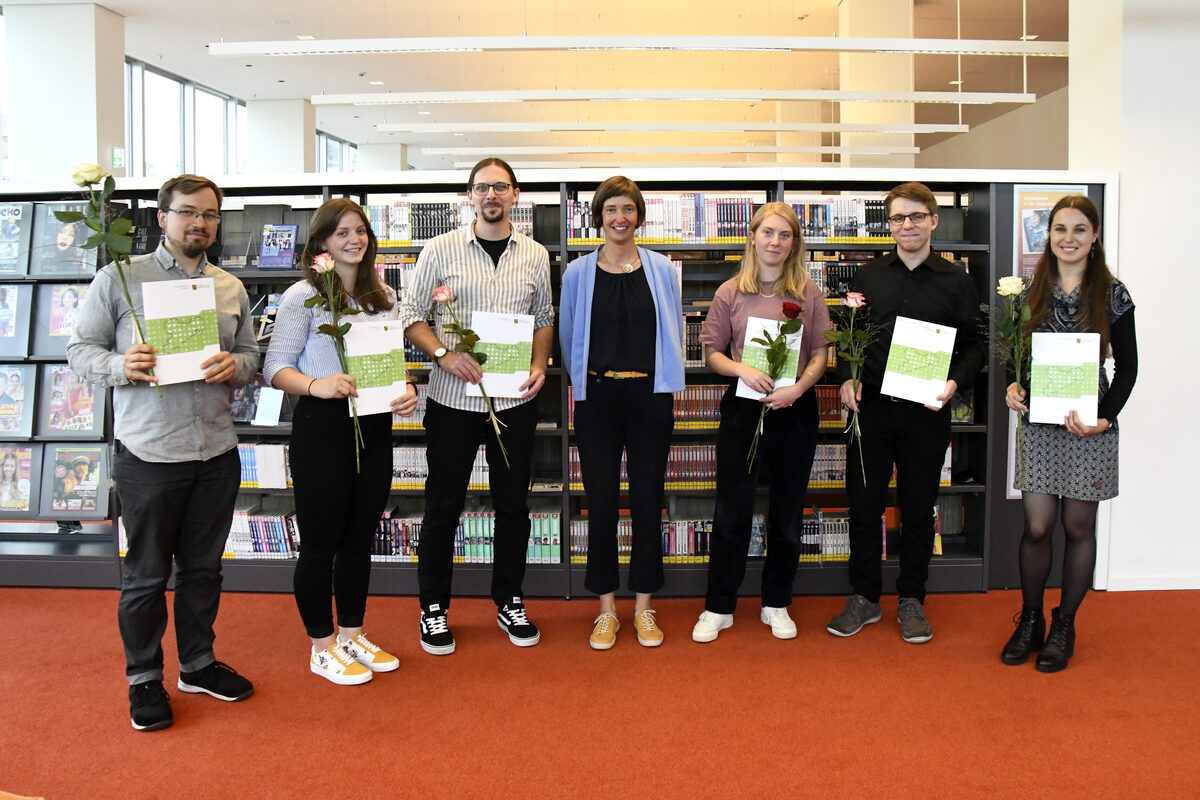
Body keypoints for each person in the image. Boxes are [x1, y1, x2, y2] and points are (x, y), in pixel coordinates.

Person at [67, 174, 260, 732]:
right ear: (162, 217)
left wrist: (238, 367)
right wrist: (120, 365)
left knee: (203, 571)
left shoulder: (229, 287)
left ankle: (197, 663)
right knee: (146, 576)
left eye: (210, 215)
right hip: (150, 454)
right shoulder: (121, 278)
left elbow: (249, 354)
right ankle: (143, 677)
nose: (199, 223)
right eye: (187, 213)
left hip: (217, 451)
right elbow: (79, 351)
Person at [398, 158, 554, 655]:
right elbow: (410, 314)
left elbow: (543, 316)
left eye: (501, 187)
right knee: (443, 507)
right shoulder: (438, 249)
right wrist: (443, 354)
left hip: (513, 400)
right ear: (468, 196)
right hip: (450, 399)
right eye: (482, 187)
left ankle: (509, 599)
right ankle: (433, 608)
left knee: (514, 506)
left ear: (515, 195)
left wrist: (540, 363)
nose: (492, 195)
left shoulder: (534, 254)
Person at [264, 198, 418, 685]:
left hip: (374, 427)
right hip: (323, 426)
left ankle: (352, 634)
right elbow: (274, 368)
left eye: (361, 231)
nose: (354, 240)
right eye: (342, 233)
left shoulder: (384, 297)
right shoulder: (302, 297)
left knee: (359, 538)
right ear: (322, 244)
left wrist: (407, 388)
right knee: (320, 542)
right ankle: (321, 645)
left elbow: (390, 366)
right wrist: (318, 384)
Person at [827, 182, 985, 644]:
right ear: (889, 223)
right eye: (898, 218)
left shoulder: (957, 281)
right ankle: (864, 598)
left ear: (934, 220)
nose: (907, 226)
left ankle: (912, 598)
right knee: (863, 506)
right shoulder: (869, 276)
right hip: (871, 409)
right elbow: (847, 337)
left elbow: (974, 346)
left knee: (918, 510)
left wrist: (954, 382)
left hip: (925, 413)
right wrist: (846, 378)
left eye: (916, 217)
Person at [1001, 195, 1137, 673]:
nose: (1069, 238)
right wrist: (1012, 387)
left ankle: (1065, 623)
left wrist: (1105, 416)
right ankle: (1031, 619)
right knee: (1036, 526)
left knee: (1078, 527)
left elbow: (1128, 368)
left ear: (1095, 235)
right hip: (1039, 421)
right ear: (1048, 235)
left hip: (1089, 425)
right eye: (1060, 229)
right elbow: (1012, 360)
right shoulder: (1026, 296)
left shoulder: (1113, 294)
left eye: (1080, 229)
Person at [691, 202, 833, 643]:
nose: (775, 242)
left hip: (794, 410)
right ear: (752, 237)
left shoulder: (808, 293)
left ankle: (776, 602)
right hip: (743, 409)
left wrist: (799, 388)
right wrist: (742, 371)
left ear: (794, 243)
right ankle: (720, 606)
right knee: (731, 510)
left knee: (787, 512)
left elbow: (820, 353)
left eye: (784, 235)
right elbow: (711, 352)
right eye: (768, 233)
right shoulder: (730, 292)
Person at [559, 176, 685, 649]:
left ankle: (645, 608)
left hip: (651, 398)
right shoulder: (576, 274)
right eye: (611, 209)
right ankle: (607, 610)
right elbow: (571, 338)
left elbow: (670, 328)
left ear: (640, 216)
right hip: (598, 400)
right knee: (602, 503)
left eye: (628, 209)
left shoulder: (661, 269)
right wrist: (586, 388)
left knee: (649, 501)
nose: (620, 218)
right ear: (598, 217)